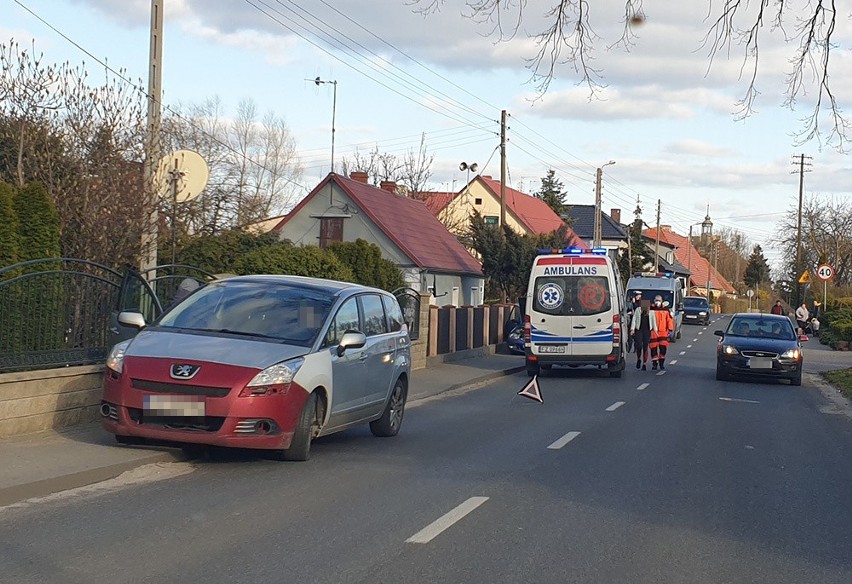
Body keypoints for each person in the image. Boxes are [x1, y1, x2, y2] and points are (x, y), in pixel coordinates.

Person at [630, 299, 656, 371]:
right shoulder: (638, 310)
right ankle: (639, 359)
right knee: (639, 346)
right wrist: (632, 329)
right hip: (639, 330)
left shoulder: (651, 312)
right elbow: (634, 319)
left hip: (647, 331)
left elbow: (654, 322)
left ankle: (644, 363)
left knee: (645, 347)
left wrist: (655, 331)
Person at [650, 295, 674, 370]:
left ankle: (661, 363)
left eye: (659, 300)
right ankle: (654, 364)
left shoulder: (666, 310)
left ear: (662, 301)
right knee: (653, 348)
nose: (657, 302)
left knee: (663, 349)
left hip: (663, 332)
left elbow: (669, 320)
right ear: (654, 300)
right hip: (653, 332)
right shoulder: (650, 308)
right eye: (656, 300)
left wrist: (670, 329)